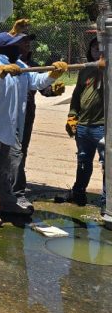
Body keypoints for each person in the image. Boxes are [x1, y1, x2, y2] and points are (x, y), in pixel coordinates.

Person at [0, 32, 67, 226]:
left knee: (5, 169)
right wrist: (1, 75)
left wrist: (52, 74)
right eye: (15, 45)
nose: (21, 47)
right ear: (6, 49)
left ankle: (8, 203)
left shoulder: (20, 66)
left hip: (7, 125)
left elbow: (35, 82)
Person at [8, 19, 65, 201]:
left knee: (20, 151)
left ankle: (17, 190)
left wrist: (53, 90)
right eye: (23, 40)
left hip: (27, 114)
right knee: (6, 152)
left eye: (28, 41)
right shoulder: (5, 62)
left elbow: (41, 86)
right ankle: (7, 186)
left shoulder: (33, 64)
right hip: (7, 113)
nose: (27, 43)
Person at [56, 36, 105, 207]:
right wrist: (72, 116)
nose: (97, 52)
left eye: (100, 48)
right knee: (83, 162)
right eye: (93, 49)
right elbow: (76, 95)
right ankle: (78, 193)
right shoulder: (84, 70)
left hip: (103, 127)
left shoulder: (109, 68)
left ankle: (107, 201)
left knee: (108, 164)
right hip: (83, 126)